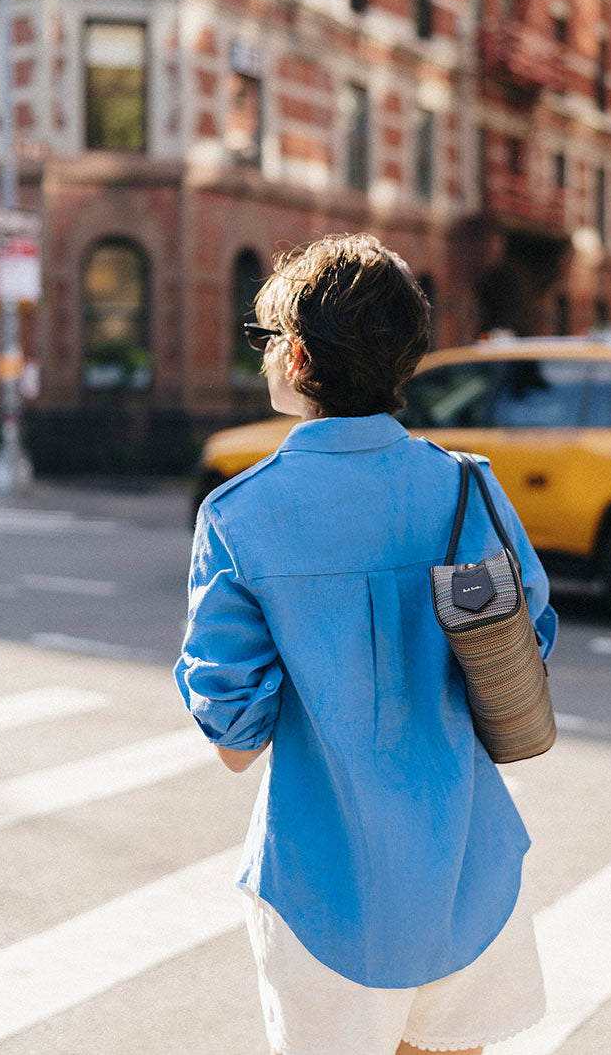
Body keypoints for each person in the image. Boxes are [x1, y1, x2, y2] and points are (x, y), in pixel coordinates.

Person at [175, 233, 557, 1055]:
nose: (265, 357)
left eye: (267, 340)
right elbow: (534, 641)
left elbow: (234, 734)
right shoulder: (470, 486)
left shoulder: (240, 516)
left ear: (302, 359)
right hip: (469, 869)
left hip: (323, 889)